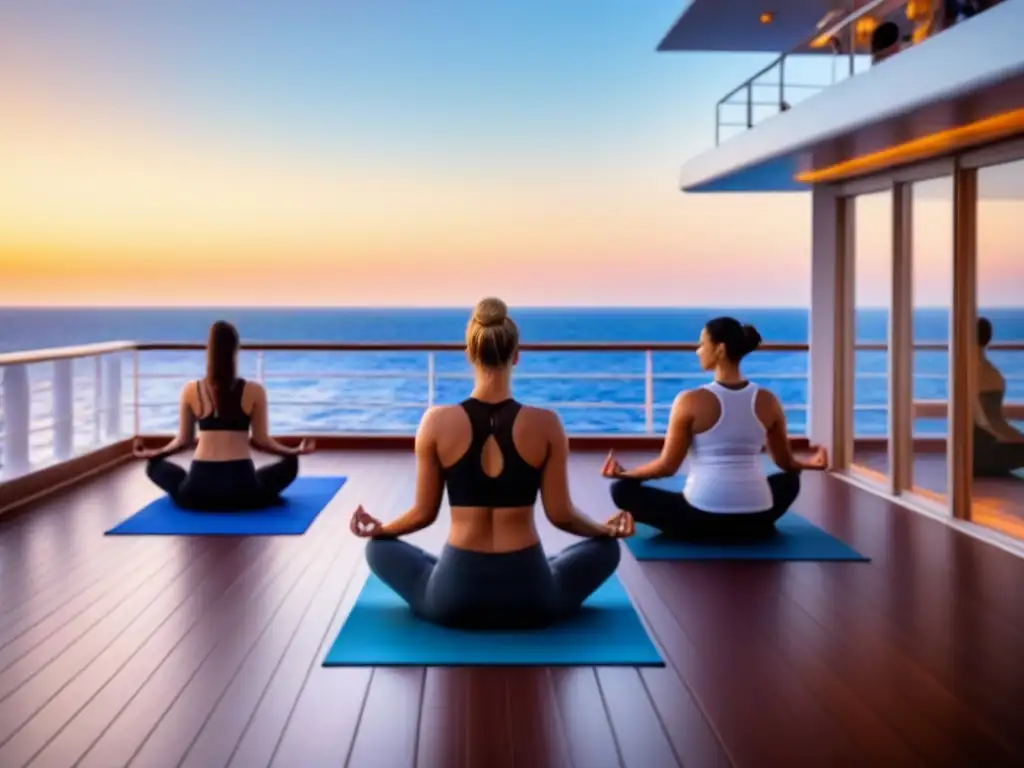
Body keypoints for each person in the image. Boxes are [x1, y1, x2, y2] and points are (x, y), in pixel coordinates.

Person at [349, 297, 632, 629]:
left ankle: (439, 570)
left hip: (454, 595)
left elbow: (423, 514)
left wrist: (381, 529)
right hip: (531, 594)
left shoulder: (435, 422)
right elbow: (562, 516)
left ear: (469, 353)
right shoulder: (547, 424)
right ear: (516, 355)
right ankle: (550, 568)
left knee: (378, 550)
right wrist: (605, 530)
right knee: (607, 550)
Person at [602, 316, 829, 541]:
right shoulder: (768, 400)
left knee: (621, 490)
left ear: (719, 349)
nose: (698, 351)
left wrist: (625, 474)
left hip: (700, 519)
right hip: (757, 518)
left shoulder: (689, 400)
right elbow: (786, 463)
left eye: (702, 344)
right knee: (790, 479)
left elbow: (666, 467)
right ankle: (745, 523)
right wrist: (808, 465)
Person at [134, 320, 315, 510]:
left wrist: (154, 454)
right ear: (236, 351)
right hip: (243, 492)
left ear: (209, 351)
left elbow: (183, 441)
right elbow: (262, 441)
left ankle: (171, 473)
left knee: (154, 466)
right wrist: (294, 452)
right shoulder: (254, 391)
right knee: (289, 464)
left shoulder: (191, 390)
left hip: (197, 492)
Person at [974, 317, 1024, 477]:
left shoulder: (962, 370)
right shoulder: (987, 374)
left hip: (964, 455)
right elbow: (993, 423)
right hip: (981, 455)